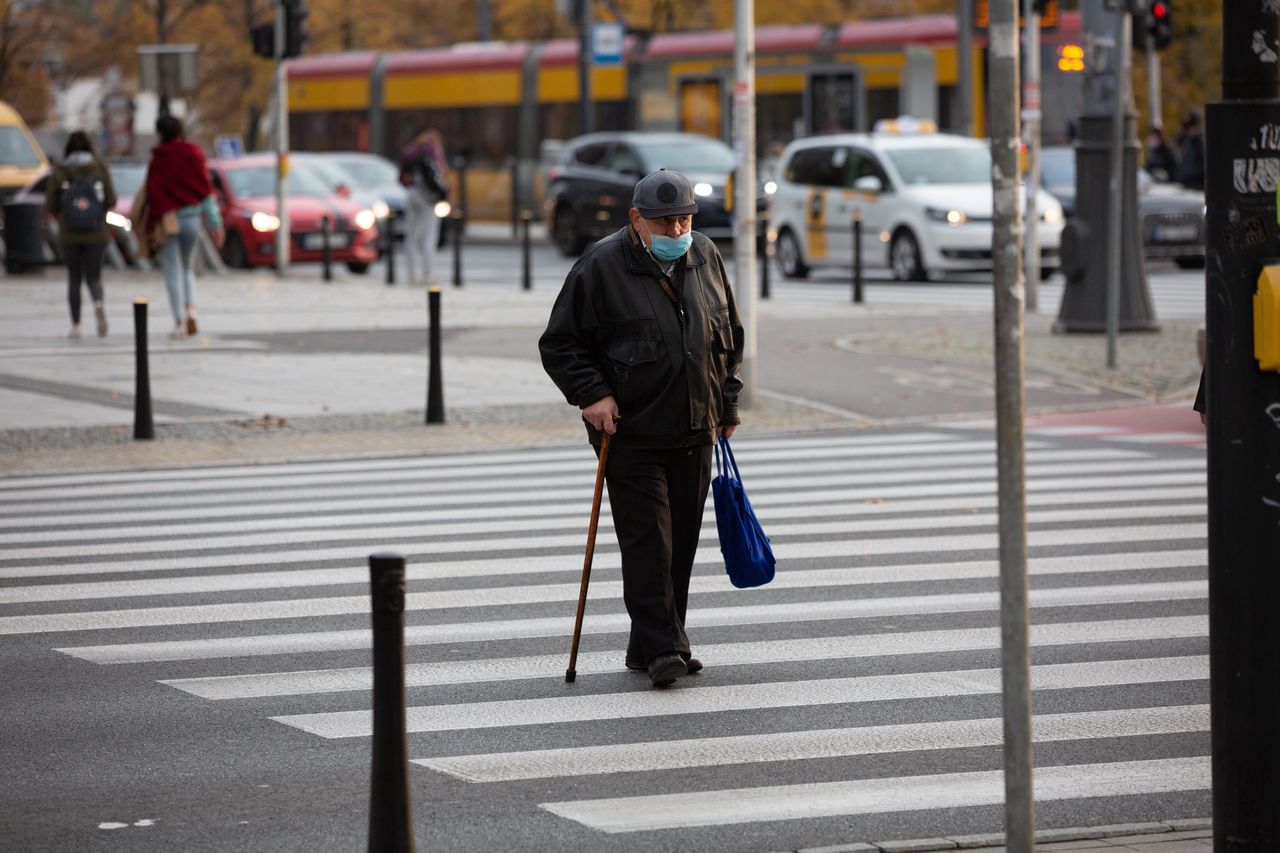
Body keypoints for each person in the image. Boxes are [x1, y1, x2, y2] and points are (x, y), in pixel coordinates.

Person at [539, 169, 744, 688]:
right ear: (636, 219)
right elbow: (561, 343)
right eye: (665, 222)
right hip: (629, 432)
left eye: (684, 220)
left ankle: (647, 641)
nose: (677, 231)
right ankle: (666, 648)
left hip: (695, 425)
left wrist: (727, 405)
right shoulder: (601, 265)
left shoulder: (706, 256)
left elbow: (728, 336)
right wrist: (593, 394)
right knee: (648, 540)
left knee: (681, 541)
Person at [144, 115, 224, 339]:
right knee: (187, 267)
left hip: (168, 221)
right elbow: (206, 191)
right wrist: (216, 223)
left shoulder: (159, 159)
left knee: (172, 271)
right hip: (192, 219)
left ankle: (178, 321)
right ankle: (192, 311)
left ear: (160, 133)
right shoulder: (194, 154)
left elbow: (153, 192)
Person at [44, 131, 116, 340]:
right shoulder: (99, 168)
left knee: (74, 279)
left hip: (70, 233)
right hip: (96, 233)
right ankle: (98, 303)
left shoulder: (61, 170)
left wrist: (63, 217)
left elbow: (51, 203)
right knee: (94, 277)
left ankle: (76, 325)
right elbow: (111, 199)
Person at [398, 129, 448, 284]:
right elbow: (442, 173)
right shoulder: (433, 150)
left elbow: (401, 177)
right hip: (428, 197)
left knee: (411, 235)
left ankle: (411, 273)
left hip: (412, 193)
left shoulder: (411, 151)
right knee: (429, 235)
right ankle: (427, 273)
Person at [1176, 110, 1206, 191]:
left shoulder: (1200, 142)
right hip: (1187, 186)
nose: (1187, 130)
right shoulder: (1188, 141)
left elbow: (1203, 167)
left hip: (1197, 187)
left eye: (1190, 126)